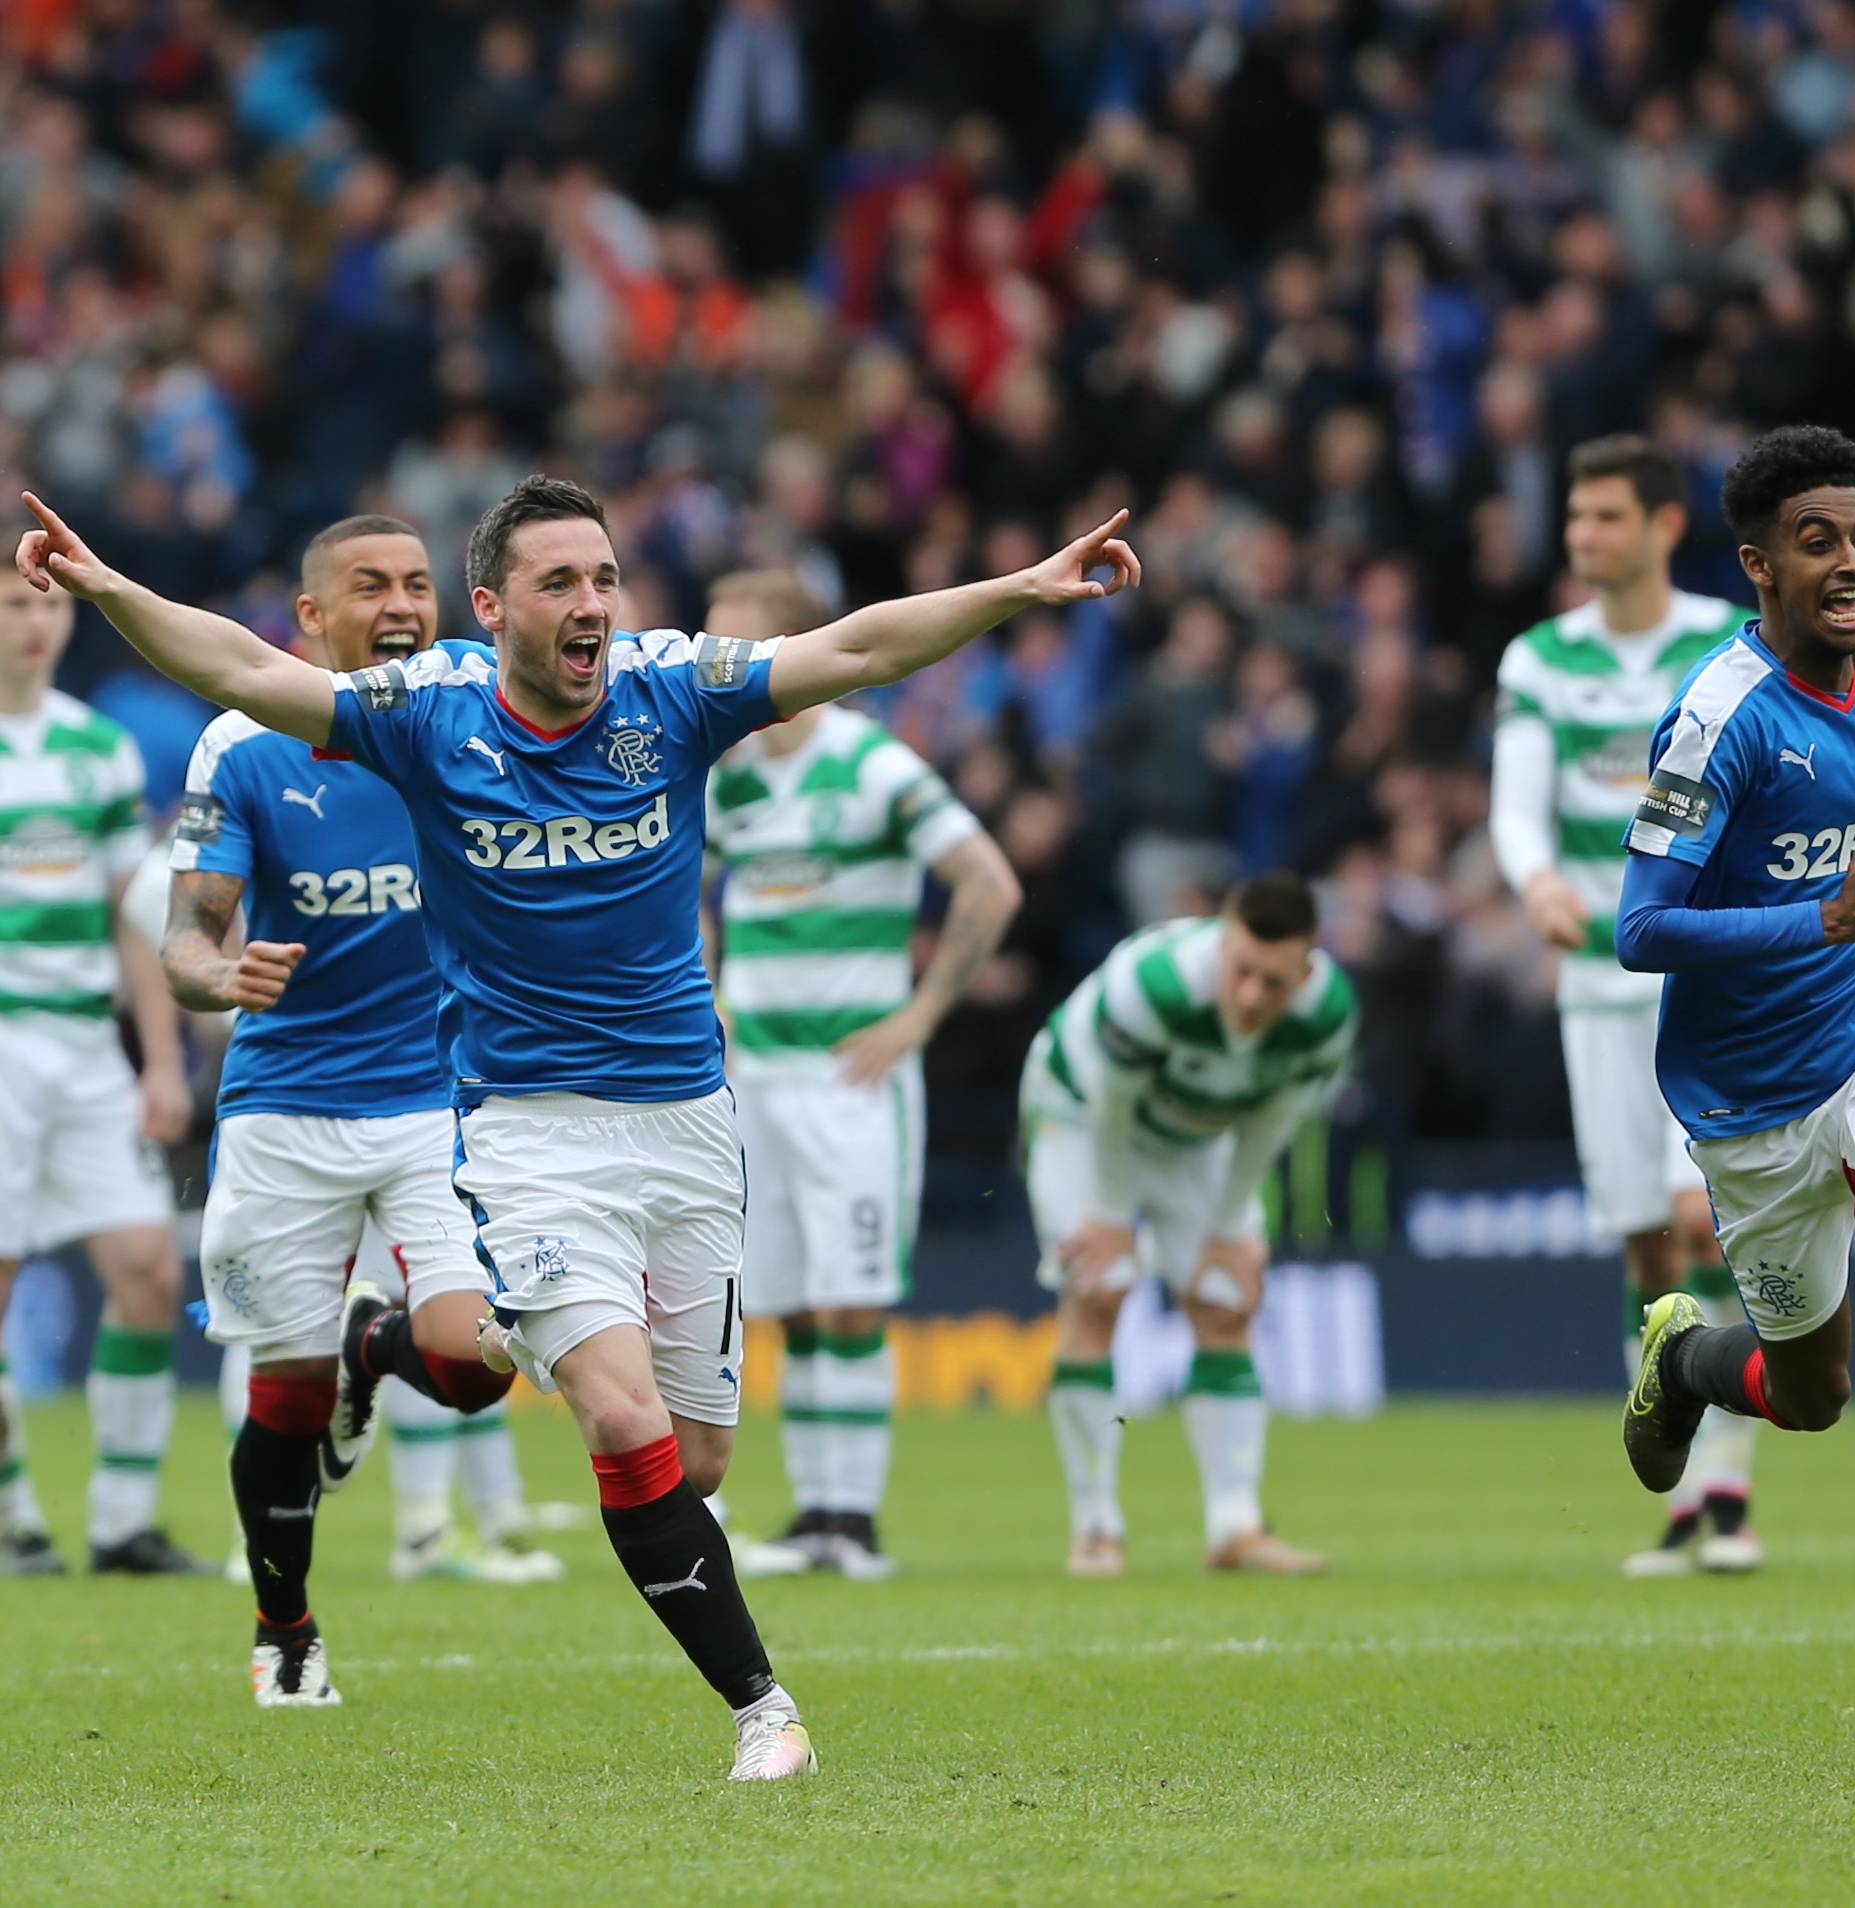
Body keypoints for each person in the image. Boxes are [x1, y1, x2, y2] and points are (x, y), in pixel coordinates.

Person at [15, 475, 1138, 1780]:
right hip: (520, 1134)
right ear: (494, 610)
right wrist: (104, 592)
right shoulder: (424, 717)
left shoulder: (674, 689)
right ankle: (764, 1713)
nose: (593, 603)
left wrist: (1015, 590)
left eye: (604, 578)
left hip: (685, 1127)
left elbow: (863, 644)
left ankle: (382, 1355)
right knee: (613, 1419)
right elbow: (240, 670)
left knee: (697, 1452)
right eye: (560, 583)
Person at [159, 513, 556, 1704]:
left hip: (443, 1097)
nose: (400, 604)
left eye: (419, 584)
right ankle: (286, 1627)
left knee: (483, 1363)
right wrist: (213, 974)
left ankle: (369, 1346)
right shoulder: (245, 744)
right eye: (369, 585)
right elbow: (190, 930)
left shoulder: (483, 711)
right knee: (280, 1401)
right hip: (287, 1103)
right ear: (311, 620)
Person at [1615, 425, 1855, 1491]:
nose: (1851, 563)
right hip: (1747, 1092)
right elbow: (1640, 932)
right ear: (1760, 565)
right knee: (1812, 1397)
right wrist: (1825, 919)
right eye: (1816, 540)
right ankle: (1687, 1363)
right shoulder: (1715, 721)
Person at [701, 569, 1021, 1579]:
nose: (719, 666)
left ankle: (859, 1520)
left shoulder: (874, 767)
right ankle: (816, 1519)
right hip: (758, 1078)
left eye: (736, 645)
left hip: (852, 1080)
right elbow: (674, 886)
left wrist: (921, 1014)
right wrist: (709, 987)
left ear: (792, 644)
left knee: (852, 1301)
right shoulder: (731, 776)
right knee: (788, 1304)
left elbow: (988, 881)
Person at [1490, 434, 1765, 1577]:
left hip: (1713, 978)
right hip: (1598, 987)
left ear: (1661, 525)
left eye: (1604, 516)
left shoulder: (1728, 642)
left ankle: (1733, 1499)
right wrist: (1535, 876)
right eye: (1574, 517)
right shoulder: (1538, 660)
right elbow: (1516, 805)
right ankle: (1682, 1500)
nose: (1581, 536)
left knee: (1711, 1221)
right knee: (1648, 1245)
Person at [1021, 872, 1350, 1578]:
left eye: (1275, 981)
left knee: (1227, 1298)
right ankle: (1096, 1526)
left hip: (1195, 1133)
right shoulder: (1154, 985)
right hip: (1082, 1115)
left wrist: (1232, 1221)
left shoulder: (1328, 1014)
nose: (1254, 996)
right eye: (1242, 972)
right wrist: (1109, 1217)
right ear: (1220, 941)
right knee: (1100, 1285)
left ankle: (1234, 1526)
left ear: (1308, 966)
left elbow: (1274, 1117)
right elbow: (1111, 1104)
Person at [0, 564, 207, 1578]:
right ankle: (14, 1520)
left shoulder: (98, 746)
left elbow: (140, 919)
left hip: (85, 1047)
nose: (35, 621)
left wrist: (161, 1061)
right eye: (13, 602)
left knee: (149, 1270)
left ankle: (123, 1524)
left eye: (46, 603)